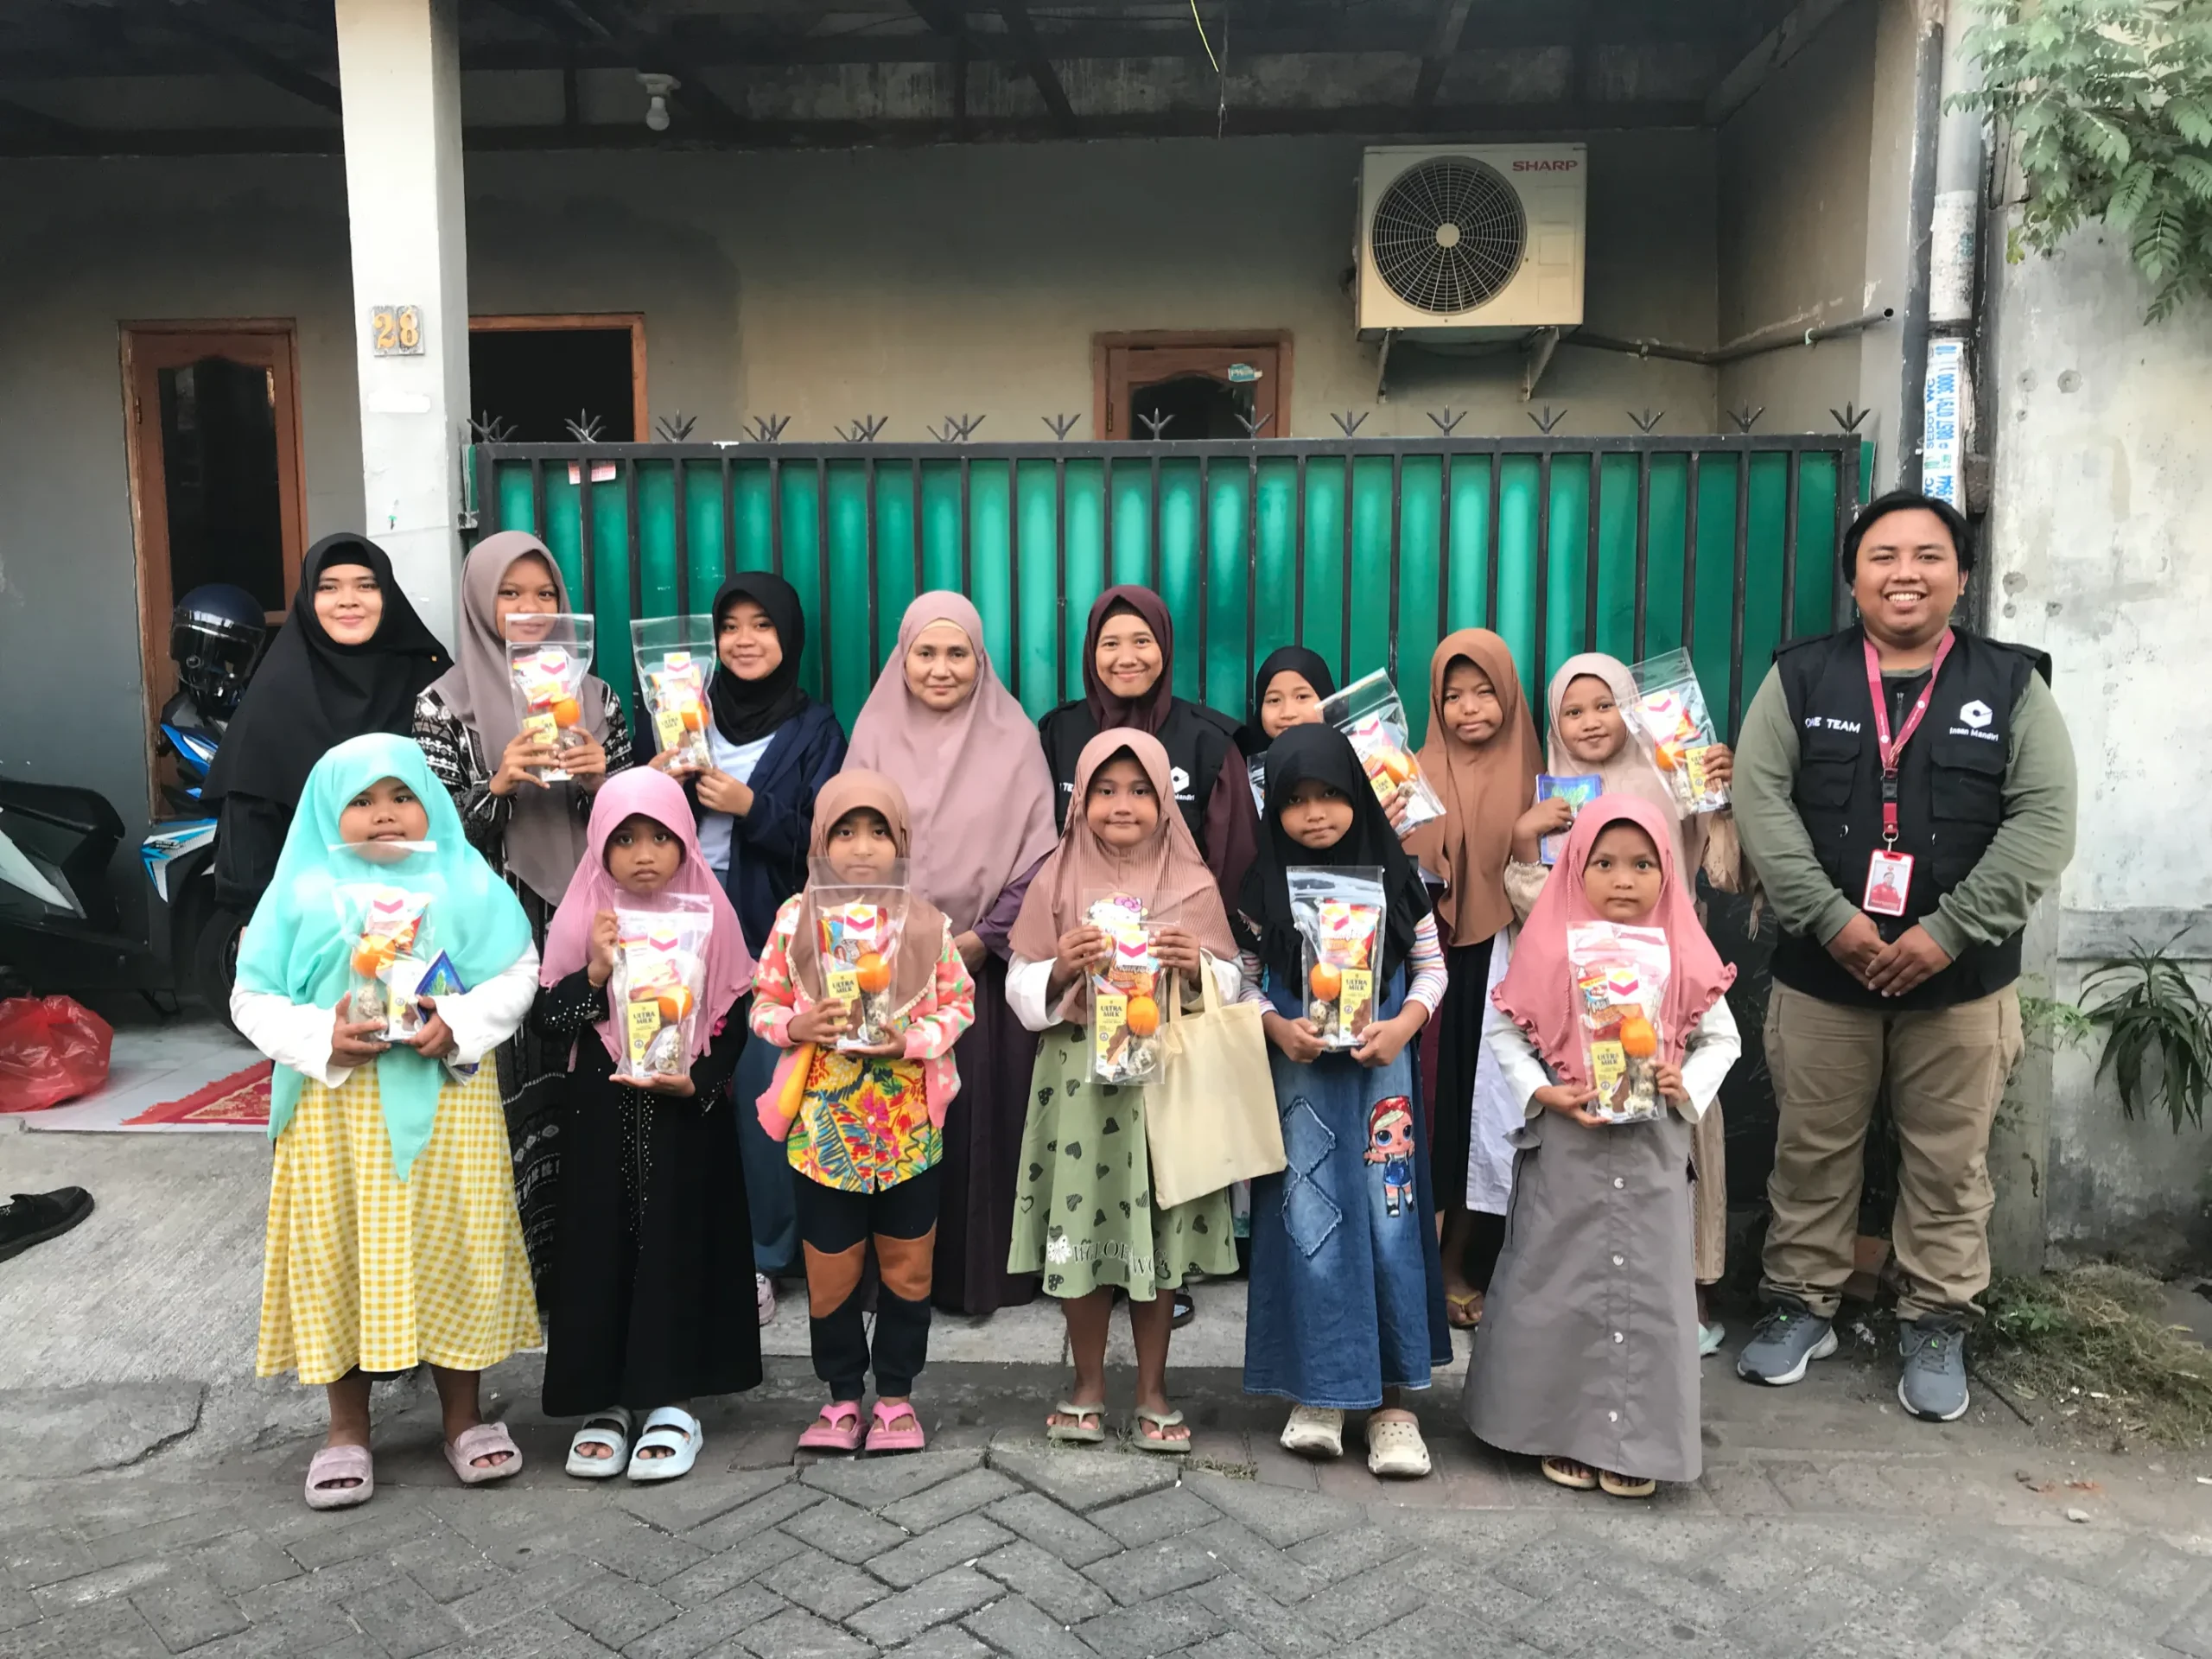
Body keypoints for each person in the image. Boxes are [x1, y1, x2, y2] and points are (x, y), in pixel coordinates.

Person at [1732, 492, 2075, 1421]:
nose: (1905, 574)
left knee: (1949, 1163)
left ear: (1961, 576)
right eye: (1883, 556)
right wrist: (1830, 919)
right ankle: (1801, 1302)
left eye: (1928, 556)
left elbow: (2043, 823)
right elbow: (1760, 802)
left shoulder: (2011, 686)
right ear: (1854, 577)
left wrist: (1946, 931)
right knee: (1811, 1149)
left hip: (1960, 982)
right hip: (1822, 973)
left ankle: (1935, 1319)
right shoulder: (1801, 679)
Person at [232, 734, 540, 1510]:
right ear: (325, 811)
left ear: (431, 802)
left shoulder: (464, 884)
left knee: (453, 1242)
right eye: (362, 801)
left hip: (446, 1106)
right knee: (340, 1249)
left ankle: (464, 1417)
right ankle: (346, 1429)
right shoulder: (301, 891)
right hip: (334, 1114)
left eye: (402, 796)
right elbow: (251, 996)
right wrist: (320, 1036)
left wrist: (461, 1022)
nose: (385, 814)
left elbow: (519, 970)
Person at [1466, 798, 1741, 1499]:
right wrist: (1543, 1090)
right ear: (1575, 869)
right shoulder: (1550, 945)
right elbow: (1504, 1032)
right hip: (1569, 1146)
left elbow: (1722, 1039)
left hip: (1651, 1151)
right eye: (1605, 863)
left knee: (1648, 1290)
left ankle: (1635, 1441)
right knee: (1558, 1285)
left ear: (1668, 871)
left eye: (1644, 865)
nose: (1624, 879)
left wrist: (1683, 1085)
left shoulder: (1682, 948)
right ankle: (1560, 1431)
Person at [1006, 732, 1243, 1452]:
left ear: (1167, 800)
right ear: (1079, 800)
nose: (1122, 805)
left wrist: (1197, 967)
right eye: (1104, 790)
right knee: (1081, 1232)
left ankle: (1152, 1392)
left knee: (1158, 1236)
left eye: (1141, 790)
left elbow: (1232, 983)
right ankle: (1086, 1387)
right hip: (1079, 1083)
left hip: (1163, 1086)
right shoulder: (1056, 879)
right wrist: (1057, 969)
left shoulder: (1192, 883)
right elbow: (1019, 987)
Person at [1505, 653, 1745, 1355]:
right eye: (1572, 711)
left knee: (1680, 1141)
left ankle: (1686, 1290)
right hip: (1585, 992)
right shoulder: (1552, 795)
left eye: (1605, 705)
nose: (1589, 722)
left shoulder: (1671, 773)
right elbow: (1537, 912)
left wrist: (1718, 798)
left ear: (1632, 708)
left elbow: (1725, 869)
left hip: (1673, 973)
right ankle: (1587, 1300)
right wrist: (1526, 837)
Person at [1035, 587, 1261, 1327]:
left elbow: (1229, 863)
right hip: (1082, 1037)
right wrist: (1062, 960)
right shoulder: (1057, 733)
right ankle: (1088, 1304)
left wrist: (1193, 947)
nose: (1126, 656)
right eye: (1110, 642)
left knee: (1163, 1172)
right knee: (1088, 1182)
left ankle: (1163, 1291)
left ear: (1166, 648)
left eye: (1142, 641)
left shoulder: (1208, 738)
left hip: (1170, 1018)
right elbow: (1039, 898)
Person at [416, 531, 632, 1294]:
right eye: (511, 594)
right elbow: (430, 842)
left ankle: (586, 1269)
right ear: (482, 602)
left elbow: (642, 832)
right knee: (502, 1090)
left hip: (587, 922)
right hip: (493, 933)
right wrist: (498, 785)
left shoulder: (597, 699)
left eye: (545, 594)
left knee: (590, 1083)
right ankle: (508, 1280)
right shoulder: (443, 705)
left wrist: (603, 781)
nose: (531, 609)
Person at [1237, 724, 1452, 1478]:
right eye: (1296, 801)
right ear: (1275, 811)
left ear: (1360, 795)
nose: (1316, 813)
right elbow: (1242, 981)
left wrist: (1404, 1027)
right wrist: (1274, 1026)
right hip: (1302, 1090)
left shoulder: (1399, 882)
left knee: (1390, 1225)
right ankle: (1319, 1394)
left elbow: (1432, 969)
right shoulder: (1260, 890)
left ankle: (1395, 1409)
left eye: (1331, 794)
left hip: (1381, 1086)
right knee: (1311, 1226)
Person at [533, 768, 760, 1482]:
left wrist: (701, 1084)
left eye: (660, 838)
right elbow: (549, 1022)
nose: (643, 855)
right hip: (601, 1118)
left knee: (677, 1245)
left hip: (684, 1121)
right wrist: (596, 974)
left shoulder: (711, 912)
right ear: (599, 844)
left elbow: (734, 1023)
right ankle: (604, 1401)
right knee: (600, 1250)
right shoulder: (585, 915)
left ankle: (673, 1401)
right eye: (624, 839)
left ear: (686, 841)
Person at [845, 593, 1059, 1316]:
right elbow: (844, 843)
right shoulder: (872, 733)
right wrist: (894, 942)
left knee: (972, 1126)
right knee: (889, 1121)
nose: (941, 669)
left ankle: (972, 1277)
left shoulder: (1015, 738)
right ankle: (891, 1278)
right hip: (885, 971)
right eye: (926, 653)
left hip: (979, 975)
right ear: (902, 659)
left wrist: (980, 939)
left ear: (980, 659)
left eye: (957, 653)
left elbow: (1039, 858)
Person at [749, 773, 976, 1454]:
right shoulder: (796, 921)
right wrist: (797, 1025)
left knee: (909, 1269)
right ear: (820, 841)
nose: (862, 847)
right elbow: (762, 1003)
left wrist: (911, 1040)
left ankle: (897, 1398)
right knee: (831, 1271)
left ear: (901, 842)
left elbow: (959, 1006)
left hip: (908, 1131)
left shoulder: (925, 923)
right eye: (844, 831)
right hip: (824, 1135)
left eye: (879, 832)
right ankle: (842, 1397)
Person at [685, 572, 849, 1306]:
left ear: (790, 637)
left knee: (761, 1095)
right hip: (680, 927)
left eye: (762, 626)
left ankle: (763, 1256)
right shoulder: (683, 714)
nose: (744, 641)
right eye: (730, 626)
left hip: (767, 931)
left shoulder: (816, 730)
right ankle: (692, 1248)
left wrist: (752, 806)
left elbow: (828, 841)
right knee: (680, 1087)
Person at [1402, 629, 1541, 1330]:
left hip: (1504, 959)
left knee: (1486, 1111)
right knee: (1429, 1108)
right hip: (1425, 960)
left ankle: (1462, 1262)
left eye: (1484, 692)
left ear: (1509, 696)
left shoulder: (1541, 777)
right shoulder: (1409, 773)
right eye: (1452, 696)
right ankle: (1415, 1270)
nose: (1469, 708)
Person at [206, 536, 450, 916]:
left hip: (427, 906)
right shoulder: (277, 692)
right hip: (311, 916)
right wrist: (256, 920)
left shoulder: (430, 681)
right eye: (329, 587)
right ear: (309, 599)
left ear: (387, 595)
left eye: (366, 586)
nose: (348, 600)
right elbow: (249, 830)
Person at [1235, 645, 1338, 805]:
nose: (1288, 713)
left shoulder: (1360, 758)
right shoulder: (1238, 769)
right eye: (1274, 700)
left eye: (1302, 696)